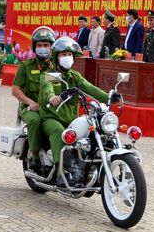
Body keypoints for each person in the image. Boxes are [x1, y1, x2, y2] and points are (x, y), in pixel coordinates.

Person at [38, 37, 111, 186]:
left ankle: (85, 168)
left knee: (89, 132)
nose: (67, 58)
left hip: (71, 119)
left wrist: (109, 97)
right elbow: (47, 90)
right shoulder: (49, 75)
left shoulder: (74, 76)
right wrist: (52, 98)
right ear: (56, 57)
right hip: (51, 118)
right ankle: (60, 173)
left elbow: (89, 88)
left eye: (70, 54)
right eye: (63, 55)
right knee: (59, 131)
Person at [12, 26, 56, 167]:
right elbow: (15, 89)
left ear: (51, 47)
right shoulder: (26, 66)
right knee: (35, 121)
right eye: (39, 45)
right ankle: (34, 156)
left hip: (52, 109)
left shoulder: (56, 67)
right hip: (30, 109)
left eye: (46, 45)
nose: (43, 48)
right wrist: (30, 102)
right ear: (34, 47)